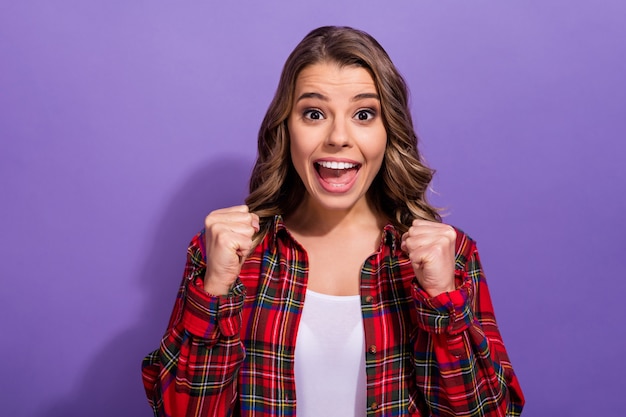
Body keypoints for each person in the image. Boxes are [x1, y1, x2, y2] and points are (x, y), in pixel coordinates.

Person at [141, 26, 525, 417]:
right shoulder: (227, 254)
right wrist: (216, 289)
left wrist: (442, 300)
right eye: (313, 113)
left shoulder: (450, 255)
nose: (338, 137)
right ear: (286, 128)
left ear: (388, 132)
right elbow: (180, 411)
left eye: (363, 114)